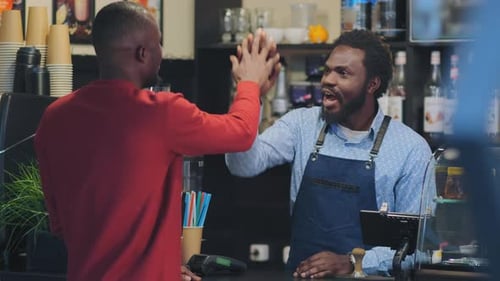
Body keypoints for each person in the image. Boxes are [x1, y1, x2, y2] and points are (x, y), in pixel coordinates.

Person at [34, 2, 280, 281]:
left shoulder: (54, 118)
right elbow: (241, 133)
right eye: (159, 45)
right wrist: (249, 83)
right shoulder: (160, 112)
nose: (162, 54)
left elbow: (61, 225)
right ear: (143, 53)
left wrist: (160, 263)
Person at [226, 30, 434, 278]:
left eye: (342, 73)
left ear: (372, 84)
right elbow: (243, 165)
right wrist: (249, 94)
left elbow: (419, 249)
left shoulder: (410, 149)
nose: (328, 80)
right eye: (327, 71)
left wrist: (353, 262)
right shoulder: (301, 125)